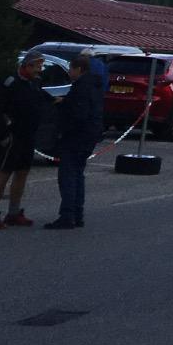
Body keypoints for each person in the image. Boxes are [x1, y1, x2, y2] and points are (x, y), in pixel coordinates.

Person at [0, 52, 49, 229]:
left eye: (40, 66)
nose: (39, 70)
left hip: (28, 135)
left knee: (22, 172)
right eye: (37, 66)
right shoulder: (10, 83)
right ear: (27, 66)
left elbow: (42, 98)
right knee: (3, 173)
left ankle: (13, 212)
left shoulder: (35, 83)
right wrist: (3, 135)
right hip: (13, 136)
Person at [46, 55, 104, 229]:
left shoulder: (81, 88)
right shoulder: (93, 85)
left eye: (71, 68)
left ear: (79, 69)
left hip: (77, 136)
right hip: (90, 134)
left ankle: (67, 215)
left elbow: (79, 114)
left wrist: (64, 121)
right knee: (78, 173)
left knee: (68, 175)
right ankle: (77, 214)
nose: (69, 72)